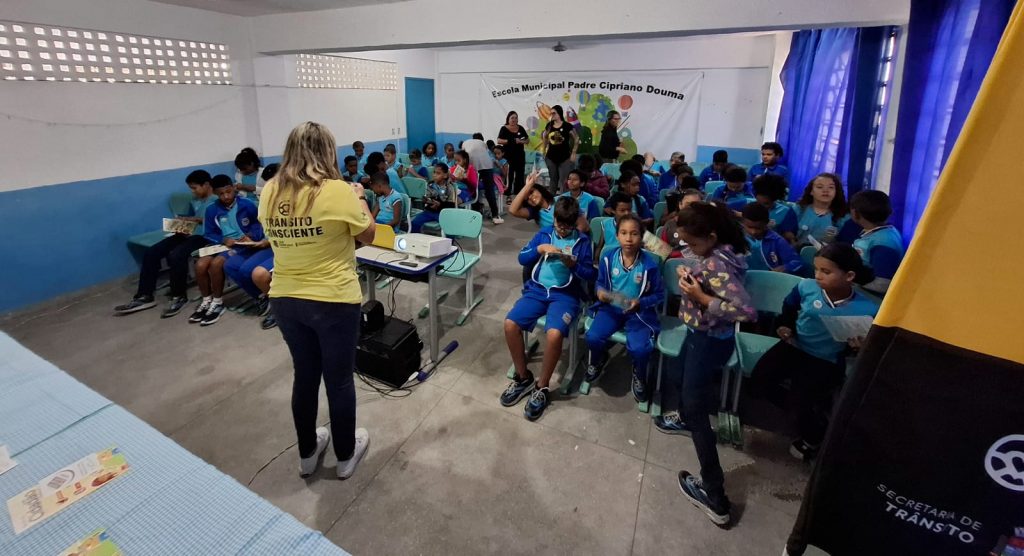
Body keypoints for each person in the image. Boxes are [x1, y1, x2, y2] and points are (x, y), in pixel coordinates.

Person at [259, 121, 376, 481]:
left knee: (305, 376)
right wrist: (359, 196)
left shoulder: (270, 189)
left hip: (285, 298)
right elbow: (369, 235)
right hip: (333, 300)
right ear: (327, 151)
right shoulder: (337, 190)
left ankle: (307, 454)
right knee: (338, 380)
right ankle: (345, 456)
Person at [655, 201, 756, 527]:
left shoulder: (716, 265)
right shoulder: (722, 252)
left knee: (697, 409)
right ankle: (684, 416)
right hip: (700, 334)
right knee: (677, 373)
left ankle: (715, 496)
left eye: (693, 244)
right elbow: (709, 274)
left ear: (711, 237)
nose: (689, 249)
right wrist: (692, 275)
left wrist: (702, 298)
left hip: (708, 339)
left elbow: (746, 312)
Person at [749, 243, 879, 461]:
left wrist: (859, 347)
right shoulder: (806, 287)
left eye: (826, 272)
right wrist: (785, 325)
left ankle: (814, 435)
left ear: (849, 276)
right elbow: (789, 307)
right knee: (759, 382)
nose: (817, 275)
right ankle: (803, 408)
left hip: (825, 359)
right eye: (816, 269)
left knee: (800, 403)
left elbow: (868, 345)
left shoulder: (868, 309)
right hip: (795, 345)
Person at [500, 196, 596, 421]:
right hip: (537, 290)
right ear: (554, 219)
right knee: (510, 324)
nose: (562, 230)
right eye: (559, 225)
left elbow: (591, 274)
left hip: (565, 295)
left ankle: (541, 387)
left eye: (567, 227)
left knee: (554, 334)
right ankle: (523, 377)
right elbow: (522, 258)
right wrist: (539, 249)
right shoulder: (544, 234)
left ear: (575, 223)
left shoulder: (582, 241)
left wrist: (573, 264)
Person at [114, 170, 216, 317]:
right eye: (191, 188)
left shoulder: (216, 199)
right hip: (189, 233)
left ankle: (179, 296)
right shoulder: (196, 200)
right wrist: (182, 224)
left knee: (176, 255)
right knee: (152, 252)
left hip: (205, 236)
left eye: (195, 188)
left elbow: (217, 221)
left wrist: (195, 220)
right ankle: (144, 296)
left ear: (206, 184)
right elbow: (194, 219)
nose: (193, 191)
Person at [585, 214, 664, 403]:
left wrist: (641, 302)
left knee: (640, 349)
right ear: (617, 235)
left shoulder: (649, 265)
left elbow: (660, 295)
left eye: (634, 234)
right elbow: (600, 283)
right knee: (593, 337)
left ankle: (639, 373)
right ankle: (598, 358)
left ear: (642, 237)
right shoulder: (608, 258)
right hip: (611, 309)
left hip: (638, 314)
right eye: (624, 233)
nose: (629, 238)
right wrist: (600, 292)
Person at [189, 174, 263, 327]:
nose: (226, 196)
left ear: (234, 188)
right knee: (200, 265)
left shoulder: (247, 204)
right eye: (221, 194)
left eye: (228, 192)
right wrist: (222, 240)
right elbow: (208, 233)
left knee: (217, 263)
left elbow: (259, 224)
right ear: (215, 193)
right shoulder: (211, 209)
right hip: (221, 243)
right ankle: (206, 300)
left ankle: (218, 302)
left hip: (241, 245)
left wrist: (250, 235)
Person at [849, 190, 904, 294]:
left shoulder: (883, 243)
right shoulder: (885, 231)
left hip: (871, 297)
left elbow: (883, 284)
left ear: (855, 213)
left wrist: (849, 285)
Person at [741, 203, 803, 274]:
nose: (753, 232)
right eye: (749, 227)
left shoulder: (777, 241)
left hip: (767, 277)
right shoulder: (738, 237)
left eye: (758, 228)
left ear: (766, 223)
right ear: (743, 222)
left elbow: (797, 262)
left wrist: (784, 268)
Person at [795, 173, 849, 246]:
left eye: (831, 187)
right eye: (820, 187)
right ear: (811, 191)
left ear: (836, 191)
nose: (825, 190)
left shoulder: (844, 216)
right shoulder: (798, 209)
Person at [463, 133, 502, 224]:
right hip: (487, 166)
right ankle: (495, 215)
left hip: (472, 166)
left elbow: (463, 156)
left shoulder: (465, 142)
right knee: (489, 191)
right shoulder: (483, 144)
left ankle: (476, 211)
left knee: (473, 187)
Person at [541, 105, 579, 194]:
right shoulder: (549, 125)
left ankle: (564, 200)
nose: (552, 115)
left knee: (564, 181)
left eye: (554, 113)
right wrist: (543, 151)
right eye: (551, 113)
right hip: (551, 157)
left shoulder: (567, 126)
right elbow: (545, 138)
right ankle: (551, 200)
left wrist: (574, 152)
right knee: (553, 179)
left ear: (559, 114)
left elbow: (576, 138)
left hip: (565, 158)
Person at [659, 188, 704, 259]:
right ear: (680, 205)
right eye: (688, 205)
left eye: (696, 205)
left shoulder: (707, 226)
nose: (691, 209)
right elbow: (662, 253)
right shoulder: (670, 225)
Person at [411, 164, 456, 233]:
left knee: (448, 228)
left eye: (438, 173)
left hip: (443, 213)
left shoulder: (450, 187)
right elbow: (428, 197)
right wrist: (426, 200)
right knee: (415, 223)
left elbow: (451, 205)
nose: (434, 175)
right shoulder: (430, 184)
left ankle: (449, 240)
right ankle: (416, 238)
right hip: (429, 212)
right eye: (434, 172)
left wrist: (439, 205)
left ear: (445, 175)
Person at [752, 173, 798, 242]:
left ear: (775, 199)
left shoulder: (786, 212)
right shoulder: (746, 203)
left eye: (766, 204)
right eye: (758, 202)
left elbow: (789, 238)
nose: (761, 207)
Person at [497, 111, 530, 195]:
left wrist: (520, 141)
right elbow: (499, 140)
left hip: (520, 155)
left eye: (516, 118)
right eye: (512, 118)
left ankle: (518, 191)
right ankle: (507, 190)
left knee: (520, 174)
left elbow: (527, 140)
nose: (514, 119)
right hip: (508, 155)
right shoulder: (504, 128)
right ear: (508, 119)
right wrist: (511, 141)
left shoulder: (521, 128)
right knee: (509, 174)